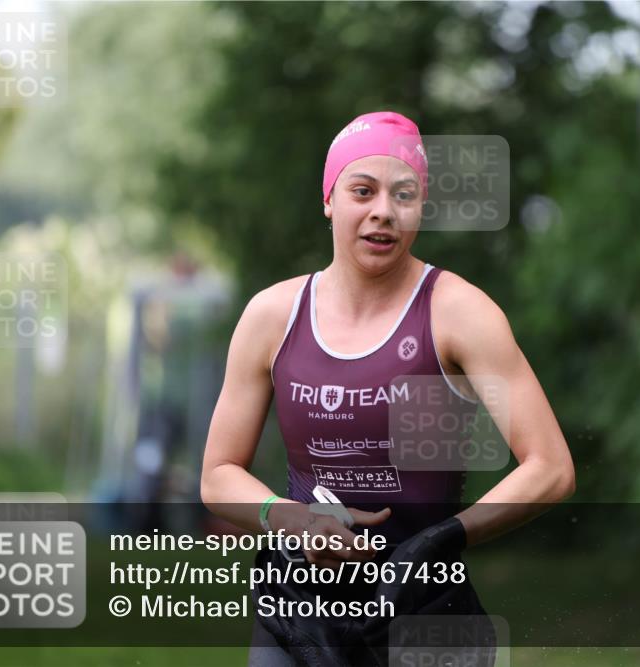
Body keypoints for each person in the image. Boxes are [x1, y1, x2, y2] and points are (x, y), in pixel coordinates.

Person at [201, 111, 575, 665]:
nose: (383, 210)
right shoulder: (273, 315)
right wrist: (289, 517)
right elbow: (217, 475)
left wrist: (441, 540)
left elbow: (551, 467)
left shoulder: (458, 313)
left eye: (404, 194)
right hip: (299, 610)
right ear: (329, 199)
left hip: (422, 611)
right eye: (362, 190)